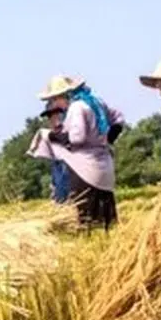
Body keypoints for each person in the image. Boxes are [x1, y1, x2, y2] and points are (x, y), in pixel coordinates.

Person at [35, 75, 125, 231]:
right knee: (106, 220)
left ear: (64, 95)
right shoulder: (96, 101)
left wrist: (51, 136)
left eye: (55, 99)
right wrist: (108, 139)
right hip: (104, 166)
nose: (56, 104)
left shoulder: (77, 107)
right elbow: (118, 119)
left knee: (88, 220)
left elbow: (77, 138)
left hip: (85, 170)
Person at [41, 103, 72, 204]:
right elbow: (55, 178)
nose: (53, 119)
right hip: (61, 203)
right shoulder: (50, 139)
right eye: (50, 116)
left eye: (57, 115)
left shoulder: (71, 132)